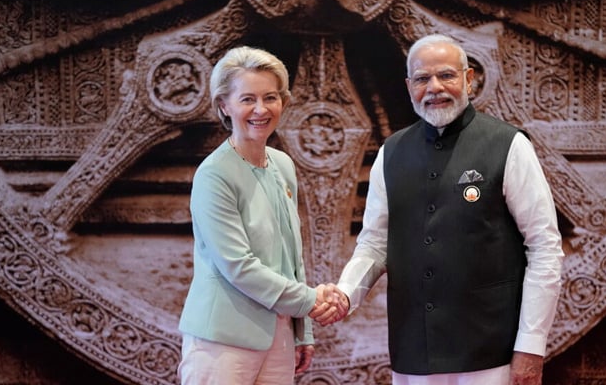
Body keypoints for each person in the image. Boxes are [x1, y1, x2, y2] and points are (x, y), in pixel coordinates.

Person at [314, 34, 564, 385]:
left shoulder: (509, 145)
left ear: (469, 79)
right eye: (422, 79)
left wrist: (531, 345)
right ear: (408, 85)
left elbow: (544, 247)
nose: (434, 87)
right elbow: (374, 244)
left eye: (446, 75)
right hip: (413, 350)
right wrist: (345, 292)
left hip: (490, 351)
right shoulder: (392, 152)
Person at [177, 45, 342, 384]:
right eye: (247, 99)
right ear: (224, 104)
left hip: (279, 337)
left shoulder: (282, 164)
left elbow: (291, 259)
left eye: (271, 97)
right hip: (222, 342)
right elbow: (238, 265)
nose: (261, 109)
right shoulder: (214, 175)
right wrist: (311, 301)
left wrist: (301, 332)